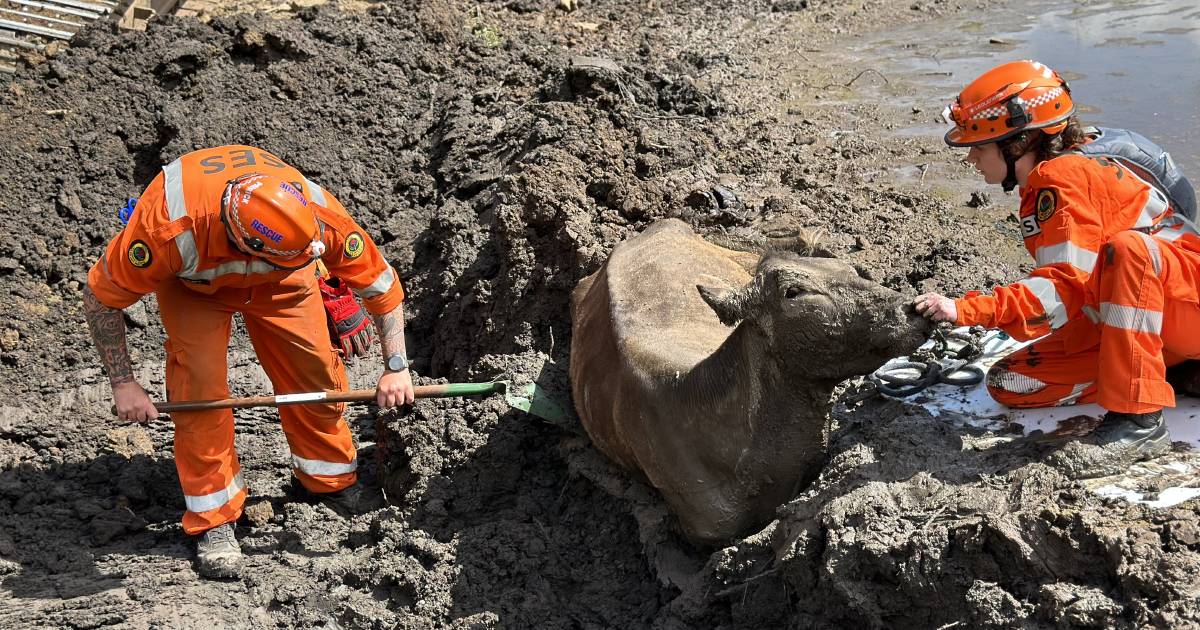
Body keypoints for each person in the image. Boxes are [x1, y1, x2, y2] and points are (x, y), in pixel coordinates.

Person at [83, 145, 416, 578]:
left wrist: (396, 365)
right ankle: (215, 518)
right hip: (194, 289)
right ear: (246, 243)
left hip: (283, 280)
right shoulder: (166, 230)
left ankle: (329, 482)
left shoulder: (317, 218)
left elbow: (382, 286)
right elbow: (100, 299)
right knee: (200, 390)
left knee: (314, 371)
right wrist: (123, 382)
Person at [914, 60, 1200, 479]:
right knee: (1011, 383)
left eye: (980, 145)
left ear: (1019, 142)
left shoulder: (1062, 177)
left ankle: (1139, 421)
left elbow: (1063, 290)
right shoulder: (1053, 176)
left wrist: (966, 310)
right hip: (1161, 316)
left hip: (1182, 302)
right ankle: (1177, 371)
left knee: (1129, 250)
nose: (971, 157)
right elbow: (1080, 288)